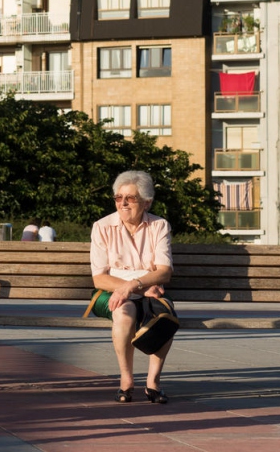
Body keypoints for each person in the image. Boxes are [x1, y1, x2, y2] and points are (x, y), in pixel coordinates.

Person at [89, 170, 174, 405]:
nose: (123, 204)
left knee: (164, 316)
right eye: (118, 198)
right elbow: (100, 279)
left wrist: (132, 285)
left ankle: (153, 382)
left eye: (130, 198)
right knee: (125, 314)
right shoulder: (102, 227)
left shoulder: (159, 226)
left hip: (148, 293)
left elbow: (164, 271)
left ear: (147, 202)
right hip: (111, 294)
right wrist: (141, 285)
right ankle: (126, 380)